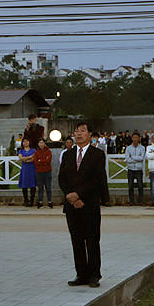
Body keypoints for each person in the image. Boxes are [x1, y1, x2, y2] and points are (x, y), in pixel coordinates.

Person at [58, 121, 109, 287]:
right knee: (77, 241)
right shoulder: (67, 155)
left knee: (92, 240)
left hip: (89, 204)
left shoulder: (97, 155)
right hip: (71, 206)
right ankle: (81, 274)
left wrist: (79, 195)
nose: (78, 134)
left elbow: (97, 180)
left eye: (82, 131)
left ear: (89, 134)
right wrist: (70, 196)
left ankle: (94, 275)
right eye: (76, 131)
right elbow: (62, 179)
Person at [125, 132, 146, 205]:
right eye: (134, 137)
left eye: (137, 137)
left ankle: (141, 201)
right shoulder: (128, 148)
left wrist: (132, 157)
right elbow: (128, 159)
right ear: (132, 138)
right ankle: (131, 201)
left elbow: (142, 158)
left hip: (138, 170)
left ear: (139, 138)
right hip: (130, 169)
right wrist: (136, 158)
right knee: (130, 186)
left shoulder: (142, 148)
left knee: (140, 186)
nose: (135, 139)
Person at [17, 138, 36, 207]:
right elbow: (20, 158)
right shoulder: (21, 150)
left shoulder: (33, 150)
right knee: (24, 185)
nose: (25, 143)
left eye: (27, 141)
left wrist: (25, 159)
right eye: (24, 141)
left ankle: (32, 201)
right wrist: (29, 157)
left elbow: (33, 158)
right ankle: (26, 200)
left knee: (32, 185)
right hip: (24, 169)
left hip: (32, 169)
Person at [35, 138, 53, 208]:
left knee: (48, 187)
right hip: (39, 172)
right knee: (40, 188)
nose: (41, 144)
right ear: (38, 144)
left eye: (42, 143)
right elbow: (36, 162)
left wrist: (40, 161)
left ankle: (49, 201)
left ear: (44, 144)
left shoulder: (48, 151)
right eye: (40, 143)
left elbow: (48, 161)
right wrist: (43, 160)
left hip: (47, 171)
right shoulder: (36, 152)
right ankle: (40, 201)